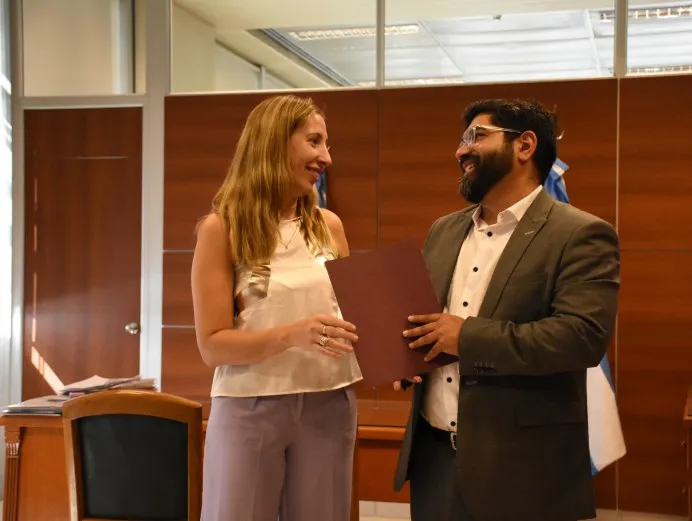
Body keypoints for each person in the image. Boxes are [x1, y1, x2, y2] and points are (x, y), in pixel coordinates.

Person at [392, 98, 620, 521]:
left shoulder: (581, 233)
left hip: (524, 468)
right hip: (434, 459)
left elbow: (581, 338)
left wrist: (466, 337)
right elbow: (427, 323)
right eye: (461, 141)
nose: (461, 151)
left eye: (476, 136)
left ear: (525, 145)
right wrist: (404, 358)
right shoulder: (443, 230)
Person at [191, 94, 362, 521]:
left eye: (326, 144)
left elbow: (357, 319)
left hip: (331, 402)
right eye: (314, 141)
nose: (326, 156)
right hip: (250, 406)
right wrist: (292, 334)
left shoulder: (330, 226)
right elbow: (213, 346)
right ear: (274, 143)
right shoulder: (221, 229)